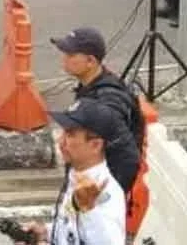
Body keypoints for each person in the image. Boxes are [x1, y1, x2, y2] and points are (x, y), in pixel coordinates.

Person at [20, 99, 127, 244]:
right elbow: (71, 229)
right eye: (63, 132)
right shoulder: (77, 176)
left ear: (95, 145)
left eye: (70, 134)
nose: (60, 141)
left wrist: (90, 211)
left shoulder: (106, 193)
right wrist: (46, 233)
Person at [50, 27, 141, 193]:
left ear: (90, 61)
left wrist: (103, 195)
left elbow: (128, 159)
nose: (64, 59)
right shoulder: (90, 88)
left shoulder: (109, 101)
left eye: (70, 55)